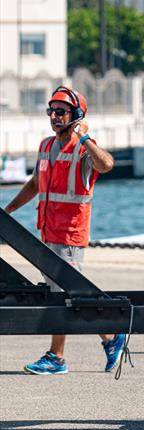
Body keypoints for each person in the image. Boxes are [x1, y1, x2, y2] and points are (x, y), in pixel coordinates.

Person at [3, 86, 124, 375]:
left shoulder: (84, 149)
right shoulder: (46, 146)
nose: (54, 117)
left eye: (61, 112)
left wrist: (84, 136)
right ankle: (110, 338)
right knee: (70, 293)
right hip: (47, 233)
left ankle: (57, 358)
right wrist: (6, 214)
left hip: (70, 235)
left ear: (76, 116)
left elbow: (107, 164)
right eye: (51, 112)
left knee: (64, 296)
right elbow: (35, 185)